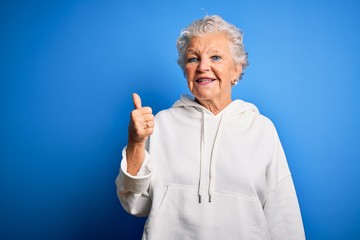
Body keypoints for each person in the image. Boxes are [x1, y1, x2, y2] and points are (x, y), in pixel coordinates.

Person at [116, 15, 305, 239]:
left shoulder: (262, 129)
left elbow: (284, 217)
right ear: (184, 70)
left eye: (215, 57)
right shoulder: (161, 124)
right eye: (193, 59)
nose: (203, 67)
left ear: (236, 69)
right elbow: (134, 203)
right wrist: (136, 142)